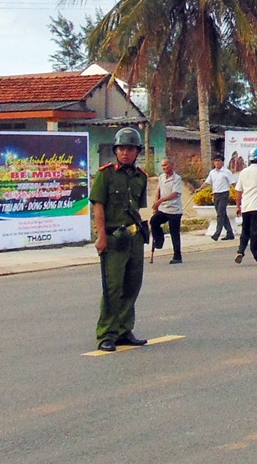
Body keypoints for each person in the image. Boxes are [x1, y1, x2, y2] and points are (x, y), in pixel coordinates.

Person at [90, 127, 150, 353]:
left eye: (130, 149)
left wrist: (147, 229)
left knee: (132, 285)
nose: (125, 153)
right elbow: (99, 206)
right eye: (121, 148)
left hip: (134, 238)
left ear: (137, 152)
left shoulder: (141, 177)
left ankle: (124, 330)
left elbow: (138, 207)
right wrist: (101, 236)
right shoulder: (105, 175)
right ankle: (106, 333)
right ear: (115, 150)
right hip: (114, 238)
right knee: (112, 287)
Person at [148, 158, 185, 264]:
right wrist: (156, 204)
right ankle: (159, 239)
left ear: (172, 165)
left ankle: (177, 256)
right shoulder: (161, 177)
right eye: (163, 166)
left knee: (174, 233)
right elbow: (158, 190)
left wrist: (160, 201)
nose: (164, 167)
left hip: (174, 210)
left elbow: (175, 194)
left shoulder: (177, 179)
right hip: (163, 209)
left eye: (166, 165)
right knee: (154, 221)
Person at [203, 155, 236, 241]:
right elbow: (207, 182)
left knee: (220, 215)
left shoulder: (226, 172)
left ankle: (217, 233)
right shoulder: (212, 173)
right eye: (215, 161)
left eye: (219, 161)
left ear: (222, 162)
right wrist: (199, 189)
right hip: (216, 194)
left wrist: (238, 192)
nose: (217, 162)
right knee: (222, 214)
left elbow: (233, 183)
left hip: (224, 194)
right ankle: (230, 233)